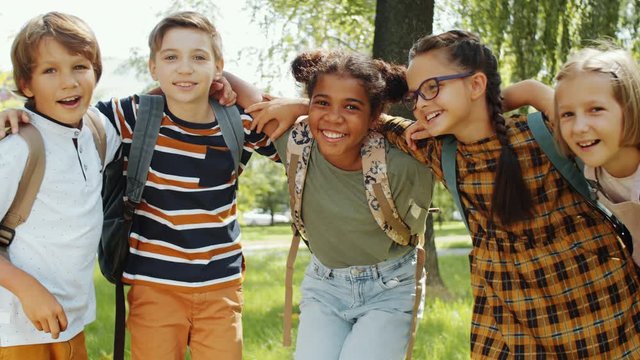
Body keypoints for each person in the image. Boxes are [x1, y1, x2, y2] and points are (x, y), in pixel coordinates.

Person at [375, 29, 640, 358]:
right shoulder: (437, 151)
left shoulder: (546, 132)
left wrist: (526, 93)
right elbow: (369, 120)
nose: (421, 105)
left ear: (476, 84)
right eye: (415, 97)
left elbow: (591, 117)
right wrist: (305, 105)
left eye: (432, 88)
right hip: (508, 329)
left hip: (598, 318)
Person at [93, 12, 278, 360]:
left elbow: (300, 142)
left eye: (199, 57)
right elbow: (68, 124)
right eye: (171, 57)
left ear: (218, 66)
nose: (185, 68)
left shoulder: (238, 122)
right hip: (154, 286)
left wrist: (238, 86)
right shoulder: (133, 115)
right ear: (153, 67)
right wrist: (18, 115)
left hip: (221, 286)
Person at [250, 49, 433, 360]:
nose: (334, 117)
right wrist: (301, 108)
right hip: (325, 287)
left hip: (391, 288)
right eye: (322, 102)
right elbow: (235, 88)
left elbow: (465, 128)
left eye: (351, 106)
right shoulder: (299, 143)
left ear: (374, 117)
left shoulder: (406, 162)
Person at [0, 12, 120, 360]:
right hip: (13, 331)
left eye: (80, 67)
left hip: (71, 323)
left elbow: (168, 97)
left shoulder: (98, 132)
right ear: (26, 84)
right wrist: (26, 288)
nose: (68, 82)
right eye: (50, 71)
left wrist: (220, 80)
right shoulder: (17, 147)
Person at [554, 46, 640, 266]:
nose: (579, 127)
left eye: (596, 109)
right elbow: (533, 90)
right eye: (568, 114)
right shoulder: (593, 163)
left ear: (630, 109)